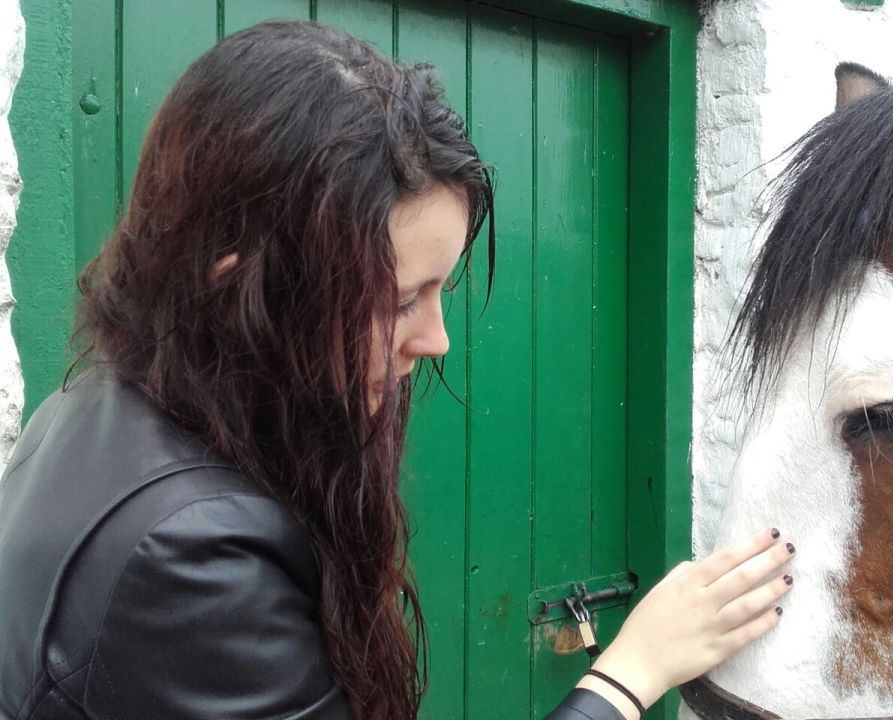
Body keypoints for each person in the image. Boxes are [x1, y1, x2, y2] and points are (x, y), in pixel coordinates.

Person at [0, 20, 793, 720]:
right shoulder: (193, 557)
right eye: (399, 299)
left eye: (441, 291)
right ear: (238, 286)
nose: (437, 339)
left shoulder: (86, 409)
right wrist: (631, 673)